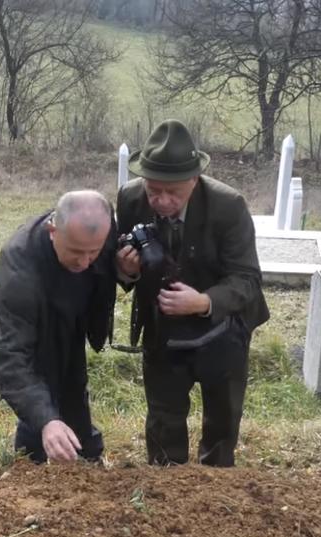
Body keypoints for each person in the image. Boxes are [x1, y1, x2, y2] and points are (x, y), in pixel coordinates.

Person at [116, 119, 269, 467]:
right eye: (154, 190)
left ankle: (215, 489)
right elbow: (126, 262)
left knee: (222, 420)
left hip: (222, 326)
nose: (162, 201)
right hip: (163, 328)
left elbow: (247, 278)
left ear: (194, 180)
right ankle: (167, 488)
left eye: (174, 193)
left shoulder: (228, 206)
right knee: (163, 418)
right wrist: (126, 270)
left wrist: (203, 302)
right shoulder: (129, 199)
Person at [0, 190, 117, 463]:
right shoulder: (18, 277)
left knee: (72, 382)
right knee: (43, 379)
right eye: (76, 252)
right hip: (21, 318)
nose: (85, 262)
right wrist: (47, 422)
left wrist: (127, 269)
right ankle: (33, 458)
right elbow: (10, 360)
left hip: (68, 304)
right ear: (53, 230)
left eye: (94, 252)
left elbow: (110, 266)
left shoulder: (100, 231)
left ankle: (84, 451)